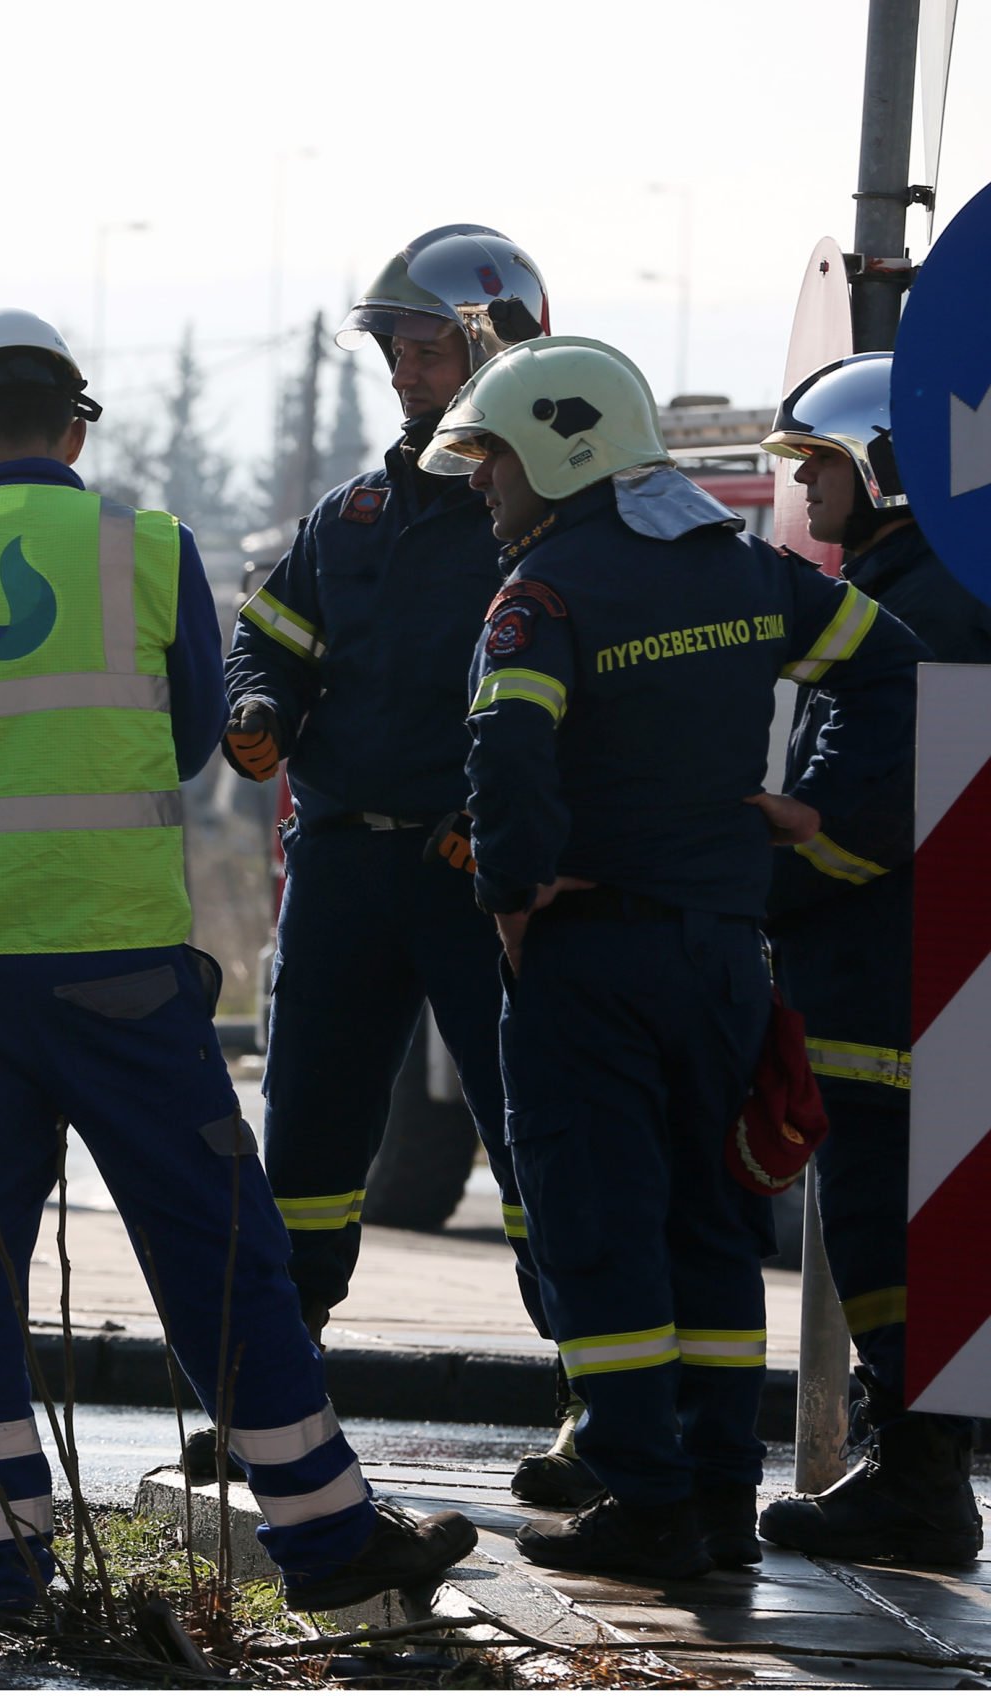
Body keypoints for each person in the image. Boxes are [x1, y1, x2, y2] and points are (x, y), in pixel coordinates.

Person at [0, 308, 479, 1627]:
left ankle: (0, 1570)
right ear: (76, 430)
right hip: (123, 973)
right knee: (219, 1247)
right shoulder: (149, 549)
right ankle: (327, 1536)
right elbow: (189, 740)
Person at [427, 335, 922, 1576]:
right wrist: (819, 815)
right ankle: (715, 1501)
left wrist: (510, 892)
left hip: (586, 960)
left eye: (493, 461)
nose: (483, 485)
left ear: (557, 448)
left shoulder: (540, 597)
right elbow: (889, 666)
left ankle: (643, 1499)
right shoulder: (742, 570)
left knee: (598, 1228)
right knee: (709, 1228)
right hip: (722, 958)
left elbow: (505, 757)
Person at [221, 226, 587, 1503]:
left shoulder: (545, 524)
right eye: (391, 347)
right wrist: (256, 707)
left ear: (498, 347)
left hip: (479, 879)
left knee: (533, 1136)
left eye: (426, 347)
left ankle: (589, 1404)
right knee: (307, 1143)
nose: (402, 371)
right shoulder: (350, 516)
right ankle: (274, 1401)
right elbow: (264, 640)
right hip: (339, 870)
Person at [752, 355, 990, 1565]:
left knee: (891, 1225)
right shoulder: (926, 586)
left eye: (821, 466)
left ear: (884, 472)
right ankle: (914, 1472)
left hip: (888, 976)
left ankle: (918, 1486)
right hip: (905, 973)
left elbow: (867, 812)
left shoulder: (915, 608)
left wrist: (743, 882)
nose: (805, 489)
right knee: (906, 1225)